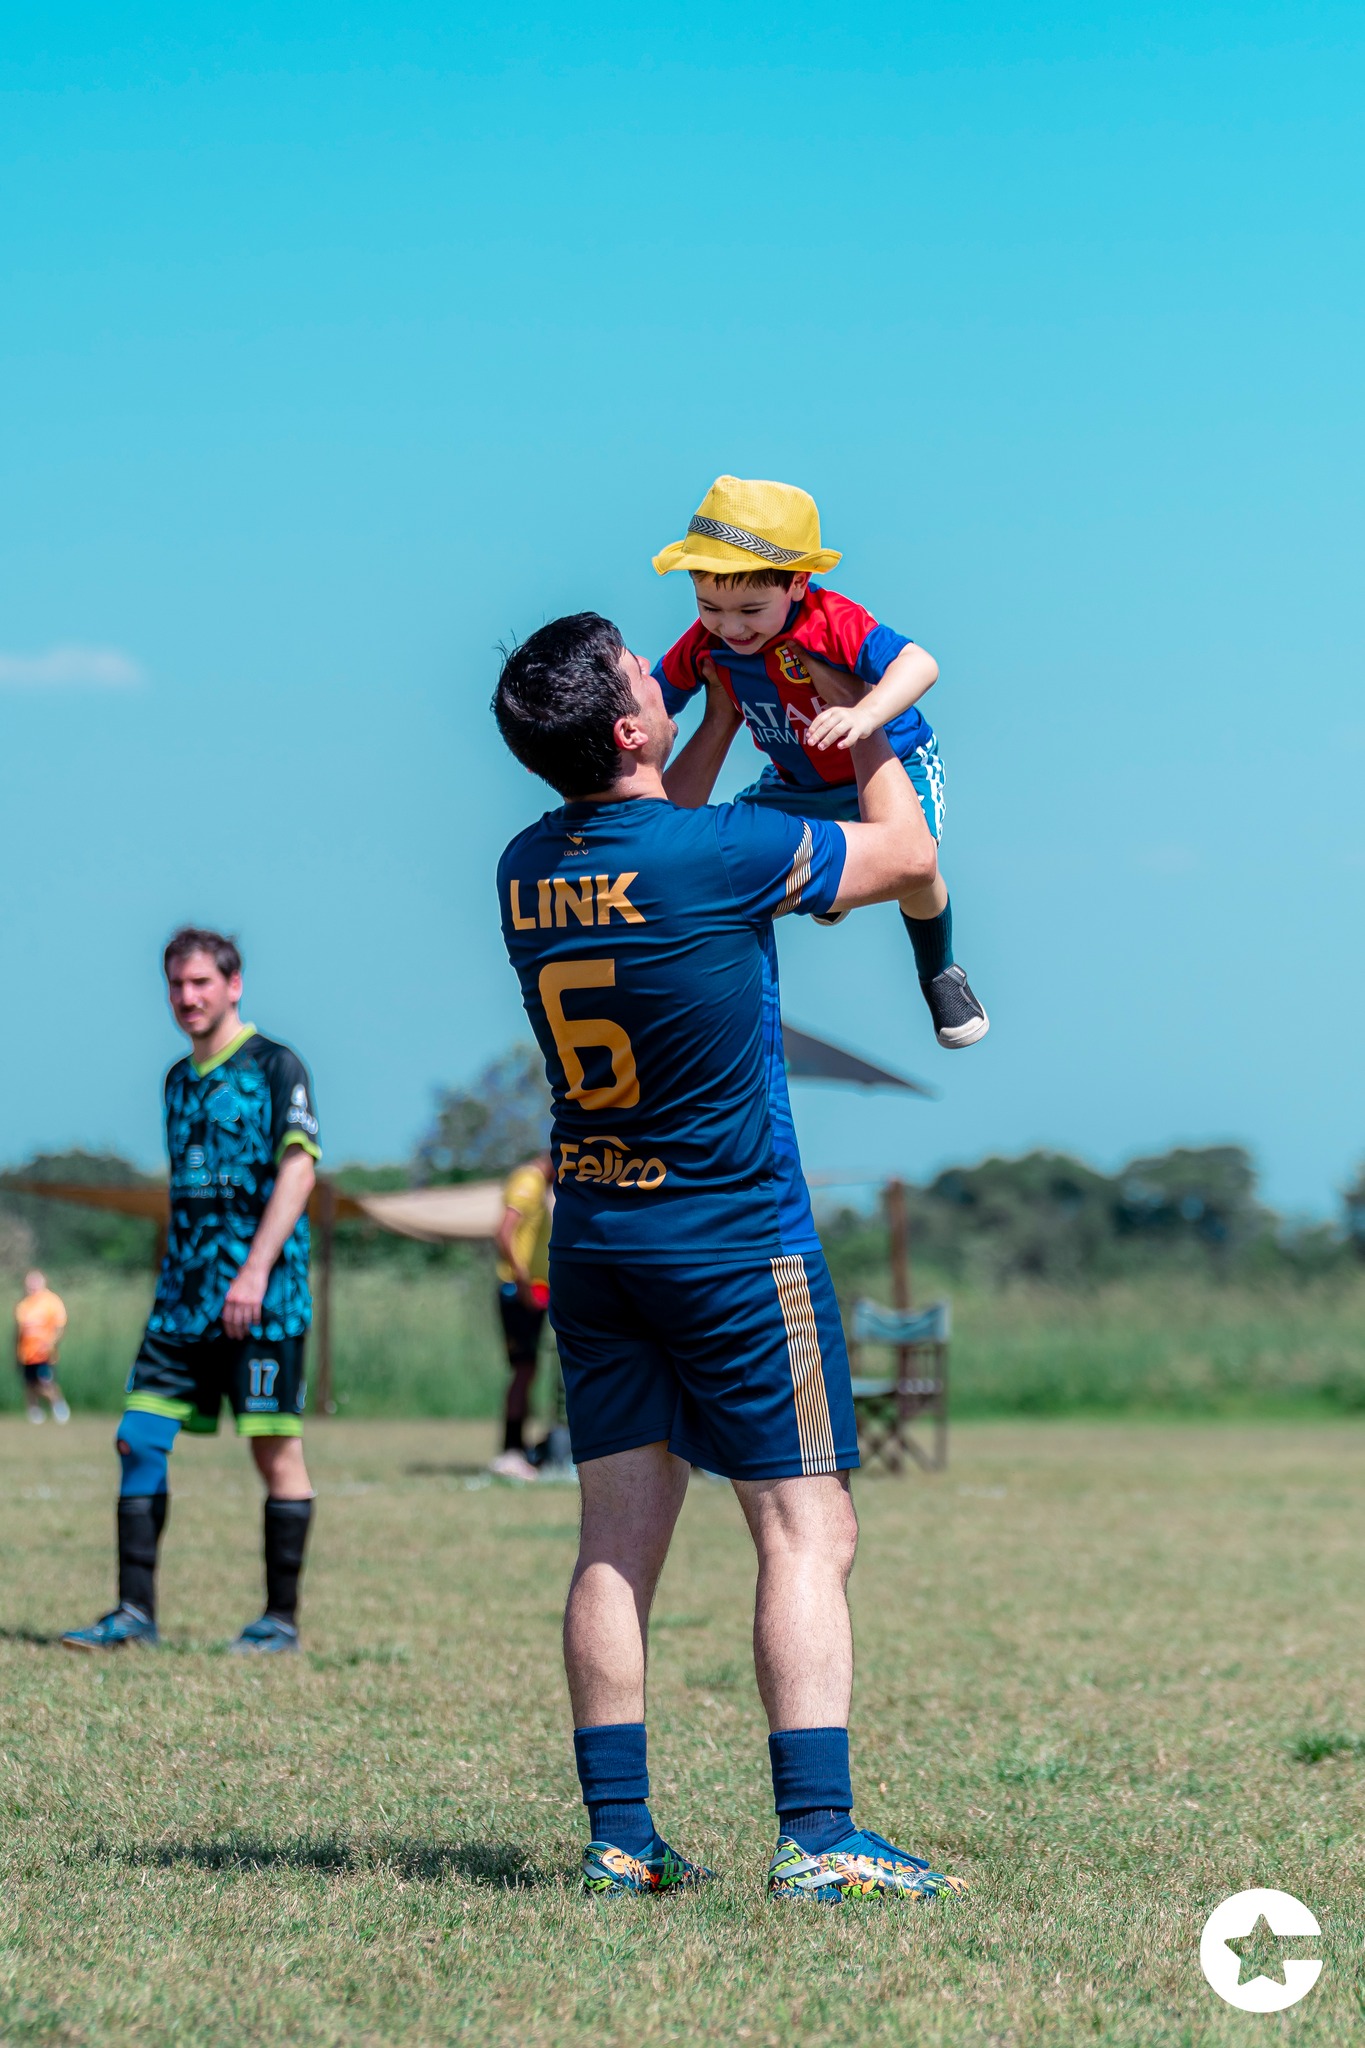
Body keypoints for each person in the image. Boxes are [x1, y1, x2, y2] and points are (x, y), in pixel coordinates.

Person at [493, 611, 967, 1903]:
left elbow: (656, 823)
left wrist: (705, 719)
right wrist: (856, 715)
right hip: (735, 1242)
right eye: (657, 676)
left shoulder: (525, 864)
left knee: (613, 1543)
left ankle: (619, 1838)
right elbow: (908, 853)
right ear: (630, 727)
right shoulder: (726, 853)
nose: (677, 662)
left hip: (595, 1237)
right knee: (807, 1528)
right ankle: (817, 1836)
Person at [651, 473, 989, 1050]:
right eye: (709, 606)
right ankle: (823, 893)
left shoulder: (831, 621)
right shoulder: (707, 642)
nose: (731, 628)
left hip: (894, 764)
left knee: (918, 867)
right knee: (709, 853)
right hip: (796, 782)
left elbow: (920, 663)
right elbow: (657, 700)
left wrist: (868, 713)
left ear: (799, 584)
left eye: (751, 610)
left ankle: (939, 969)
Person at [62, 927, 321, 1655]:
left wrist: (254, 1271)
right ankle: (133, 1615)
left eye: (202, 982)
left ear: (233, 985)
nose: (188, 997)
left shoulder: (276, 1065)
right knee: (137, 1436)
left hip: (264, 1298)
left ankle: (279, 1621)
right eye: (177, 984)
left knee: (274, 1451)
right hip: (183, 1299)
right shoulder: (177, 1080)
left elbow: (298, 1171)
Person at [490, 1150, 554, 1482]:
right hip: (518, 1293)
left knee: (528, 1370)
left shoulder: (538, 1185)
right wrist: (523, 1281)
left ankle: (519, 1447)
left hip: (532, 1292)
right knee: (523, 1370)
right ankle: (510, 1451)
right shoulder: (528, 1180)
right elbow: (504, 1231)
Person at [14, 1271, 71, 1424]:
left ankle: (59, 1407)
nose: (32, 1286)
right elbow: (19, 1332)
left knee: (45, 1382)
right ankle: (34, 1413)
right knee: (29, 1383)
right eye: (29, 1283)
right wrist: (17, 1352)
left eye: (35, 1283)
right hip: (27, 1353)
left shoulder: (51, 1302)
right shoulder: (24, 1305)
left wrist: (52, 1343)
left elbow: (60, 1325)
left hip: (44, 1353)